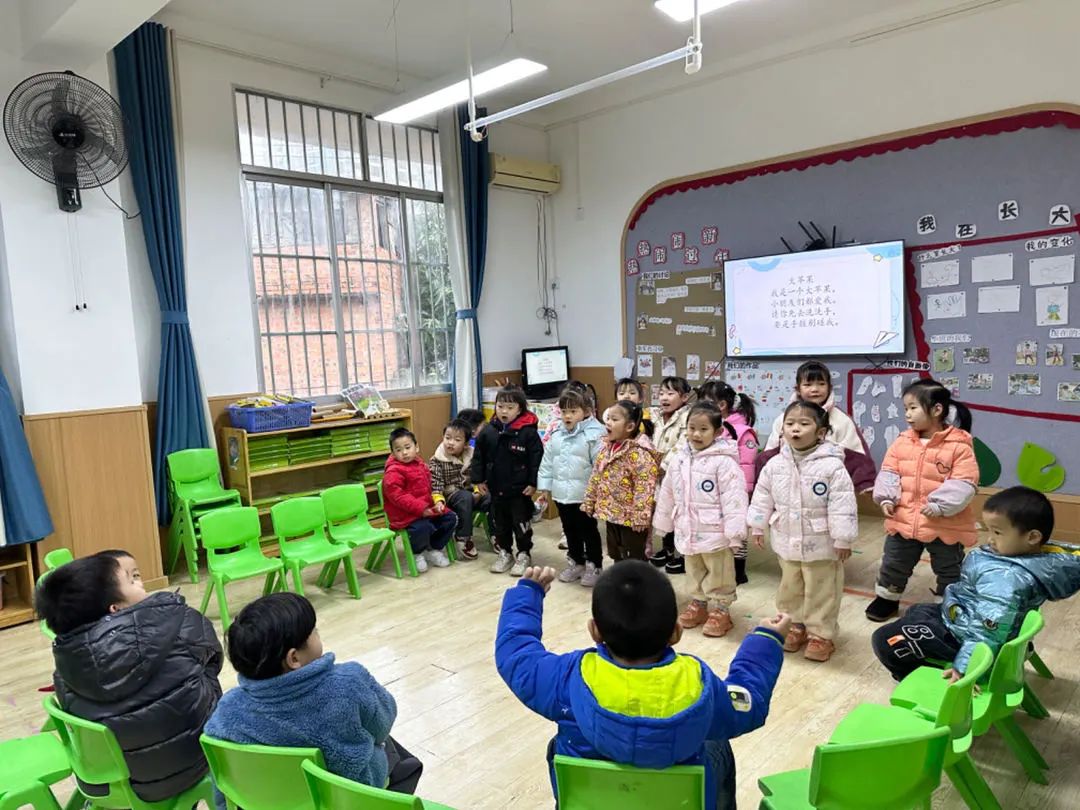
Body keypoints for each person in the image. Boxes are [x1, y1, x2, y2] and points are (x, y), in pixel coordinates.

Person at [495, 562, 788, 810]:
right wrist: (766, 640)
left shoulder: (567, 677)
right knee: (718, 744)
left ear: (595, 631)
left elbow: (517, 655)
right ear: (676, 633)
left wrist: (527, 595)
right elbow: (748, 703)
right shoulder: (699, 686)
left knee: (558, 745)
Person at [36, 550, 223, 803]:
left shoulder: (66, 664)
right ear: (115, 609)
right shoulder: (180, 621)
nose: (141, 583)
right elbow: (214, 662)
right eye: (132, 579)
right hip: (190, 763)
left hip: (114, 781)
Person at [204, 593, 422, 801]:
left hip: (277, 800)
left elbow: (223, 778)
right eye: (314, 631)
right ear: (294, 658)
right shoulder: (348, 682)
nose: (318, 634)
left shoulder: (227, 711)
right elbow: (384, 723)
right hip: (348, 796)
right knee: (399, 756)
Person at [872, 487, 1080, 681]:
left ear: (1032, 537)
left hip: (966, 639)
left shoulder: (1006, 579)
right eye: (989, 530)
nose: (990, 539)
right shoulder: (1031, 558)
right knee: (917, 611)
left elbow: (988, 630)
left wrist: (966, 667)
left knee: (884, 639)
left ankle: (926, 680)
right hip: (964, 618)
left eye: (997, 532)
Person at [748, 401, 859, 662]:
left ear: (821, 433)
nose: (795, 429)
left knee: (822, 591)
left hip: (822, 544)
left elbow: (843, 504)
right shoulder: (775, 464)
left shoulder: (832, 467)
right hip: (786, 540)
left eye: (804, 424)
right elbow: (762, 496)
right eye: (790, 424)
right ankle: (793, 624)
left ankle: (820, 634)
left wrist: (843, 538)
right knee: (789, 587)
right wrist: (757, 524)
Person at [867, 379, 979, 622]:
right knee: (894, 561)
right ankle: (887, 598)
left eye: (912, 408)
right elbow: (889, 472)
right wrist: (886, 498)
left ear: (937, 409)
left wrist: (940, 505)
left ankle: (949, 605)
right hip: (904, 519)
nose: (907, 414)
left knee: (949, 567)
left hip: (944, 523)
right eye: (905, 408)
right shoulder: (902, 441)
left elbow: (964, 482)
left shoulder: (959, 445)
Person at [653, 403, 748, 638]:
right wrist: (663, 523)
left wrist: (735, 533)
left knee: (720, 573)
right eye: (692, 428)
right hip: (687, 529)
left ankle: (721, 609)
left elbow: (735, 499)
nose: (696, 434)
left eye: (703, 429)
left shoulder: (724, 462)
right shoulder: (680, 459)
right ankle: (699, 603)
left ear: (718, 432)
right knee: (693, 569)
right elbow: (668, 492)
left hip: (716, 532)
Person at [757, 360, 876, 492]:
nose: (815, 389)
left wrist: (862, 492)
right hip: (787, 490)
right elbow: (768, 458)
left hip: (830, 490)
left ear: (829, 387)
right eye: (808, 384)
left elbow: (860, 464)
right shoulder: (783, 420)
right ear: (798, 389)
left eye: (821, 384)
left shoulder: (842, 420)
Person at [537, 387, 606, 587]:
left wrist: (597, 492)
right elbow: (547, 462)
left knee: (588, 530)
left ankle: (594, 565)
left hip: (584, 495)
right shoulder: (557, 434)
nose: (567, 416)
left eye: (573, 411)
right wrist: (545, 487)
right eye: (564, 411)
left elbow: (600, 466)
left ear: (586, 411)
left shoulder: (595, 434)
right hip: (562, 494)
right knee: (569, 529)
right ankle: (576, 562)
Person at [472, 385, 544, 576]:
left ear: (519, 409)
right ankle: (505, 552)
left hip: (519, 490)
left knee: (521, 523)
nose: (504, 411)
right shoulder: (488, 431)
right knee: (499, 524)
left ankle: (524, 553)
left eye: (510, 407)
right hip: (496, 488)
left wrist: (533, 483)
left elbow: (536, 460)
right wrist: (478, 479)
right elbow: (478, 457)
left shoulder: (528, 433)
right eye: (500, 406)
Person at [697, 380, 759, 584]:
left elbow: (747, 464)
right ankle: (719, 566)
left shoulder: (742, 431)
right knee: (718, 527)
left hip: (735, 489)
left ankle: (739, 571)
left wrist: (744, 491)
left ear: (722, 405)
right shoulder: (707, 427)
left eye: (705, 401)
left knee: (737, 528)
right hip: (712, 489)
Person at [583, 400, 660, 562]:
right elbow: (596, 476)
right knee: (616, 553)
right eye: (608, 418)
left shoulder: (640, 454)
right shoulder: (607, 448)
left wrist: (641, 516)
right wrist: (589, 501)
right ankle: (619, 576)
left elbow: (645, 488)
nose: (608, 422)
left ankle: (635, 578)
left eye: (614, 419)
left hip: (632, 520)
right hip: (611, 513)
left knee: (634, 558)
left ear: (630, 426)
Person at [382, 427, 457, 573]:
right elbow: (399, 497)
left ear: (416, 447)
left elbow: (430, 487)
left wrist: (438, 502)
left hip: (426, 509)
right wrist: (422, 509)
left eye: (407, 447)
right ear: (392, 453)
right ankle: (417, 552)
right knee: (422, 527)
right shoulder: (393, 471)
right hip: (405, 514)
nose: (404, 452)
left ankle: (433, 549)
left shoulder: (420, 464)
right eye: (398, 450)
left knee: (450, 518)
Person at [429, 418, 490, 561]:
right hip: (450, 496)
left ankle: (497, 533)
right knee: (465, 497)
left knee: (490, 496)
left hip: (470, 492)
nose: (450, 442)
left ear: (466, 443)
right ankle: (463, 536)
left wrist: (477, 491)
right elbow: (436, 485)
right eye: (447, 438)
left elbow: (478, 476)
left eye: (457, 440)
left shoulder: (472, 455)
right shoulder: (437, 460)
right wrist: (438, 501)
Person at [650, 376, 693, 573]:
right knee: (664, 511)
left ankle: (683, 555)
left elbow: (683, 445)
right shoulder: (657, 416)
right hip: (658, 474)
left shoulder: (688, 417)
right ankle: (667, 549)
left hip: (678, 474)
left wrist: (664, 465)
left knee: (680, 514)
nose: (664, 398)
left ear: (684, 397)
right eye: (661, 393)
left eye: (670, 393)